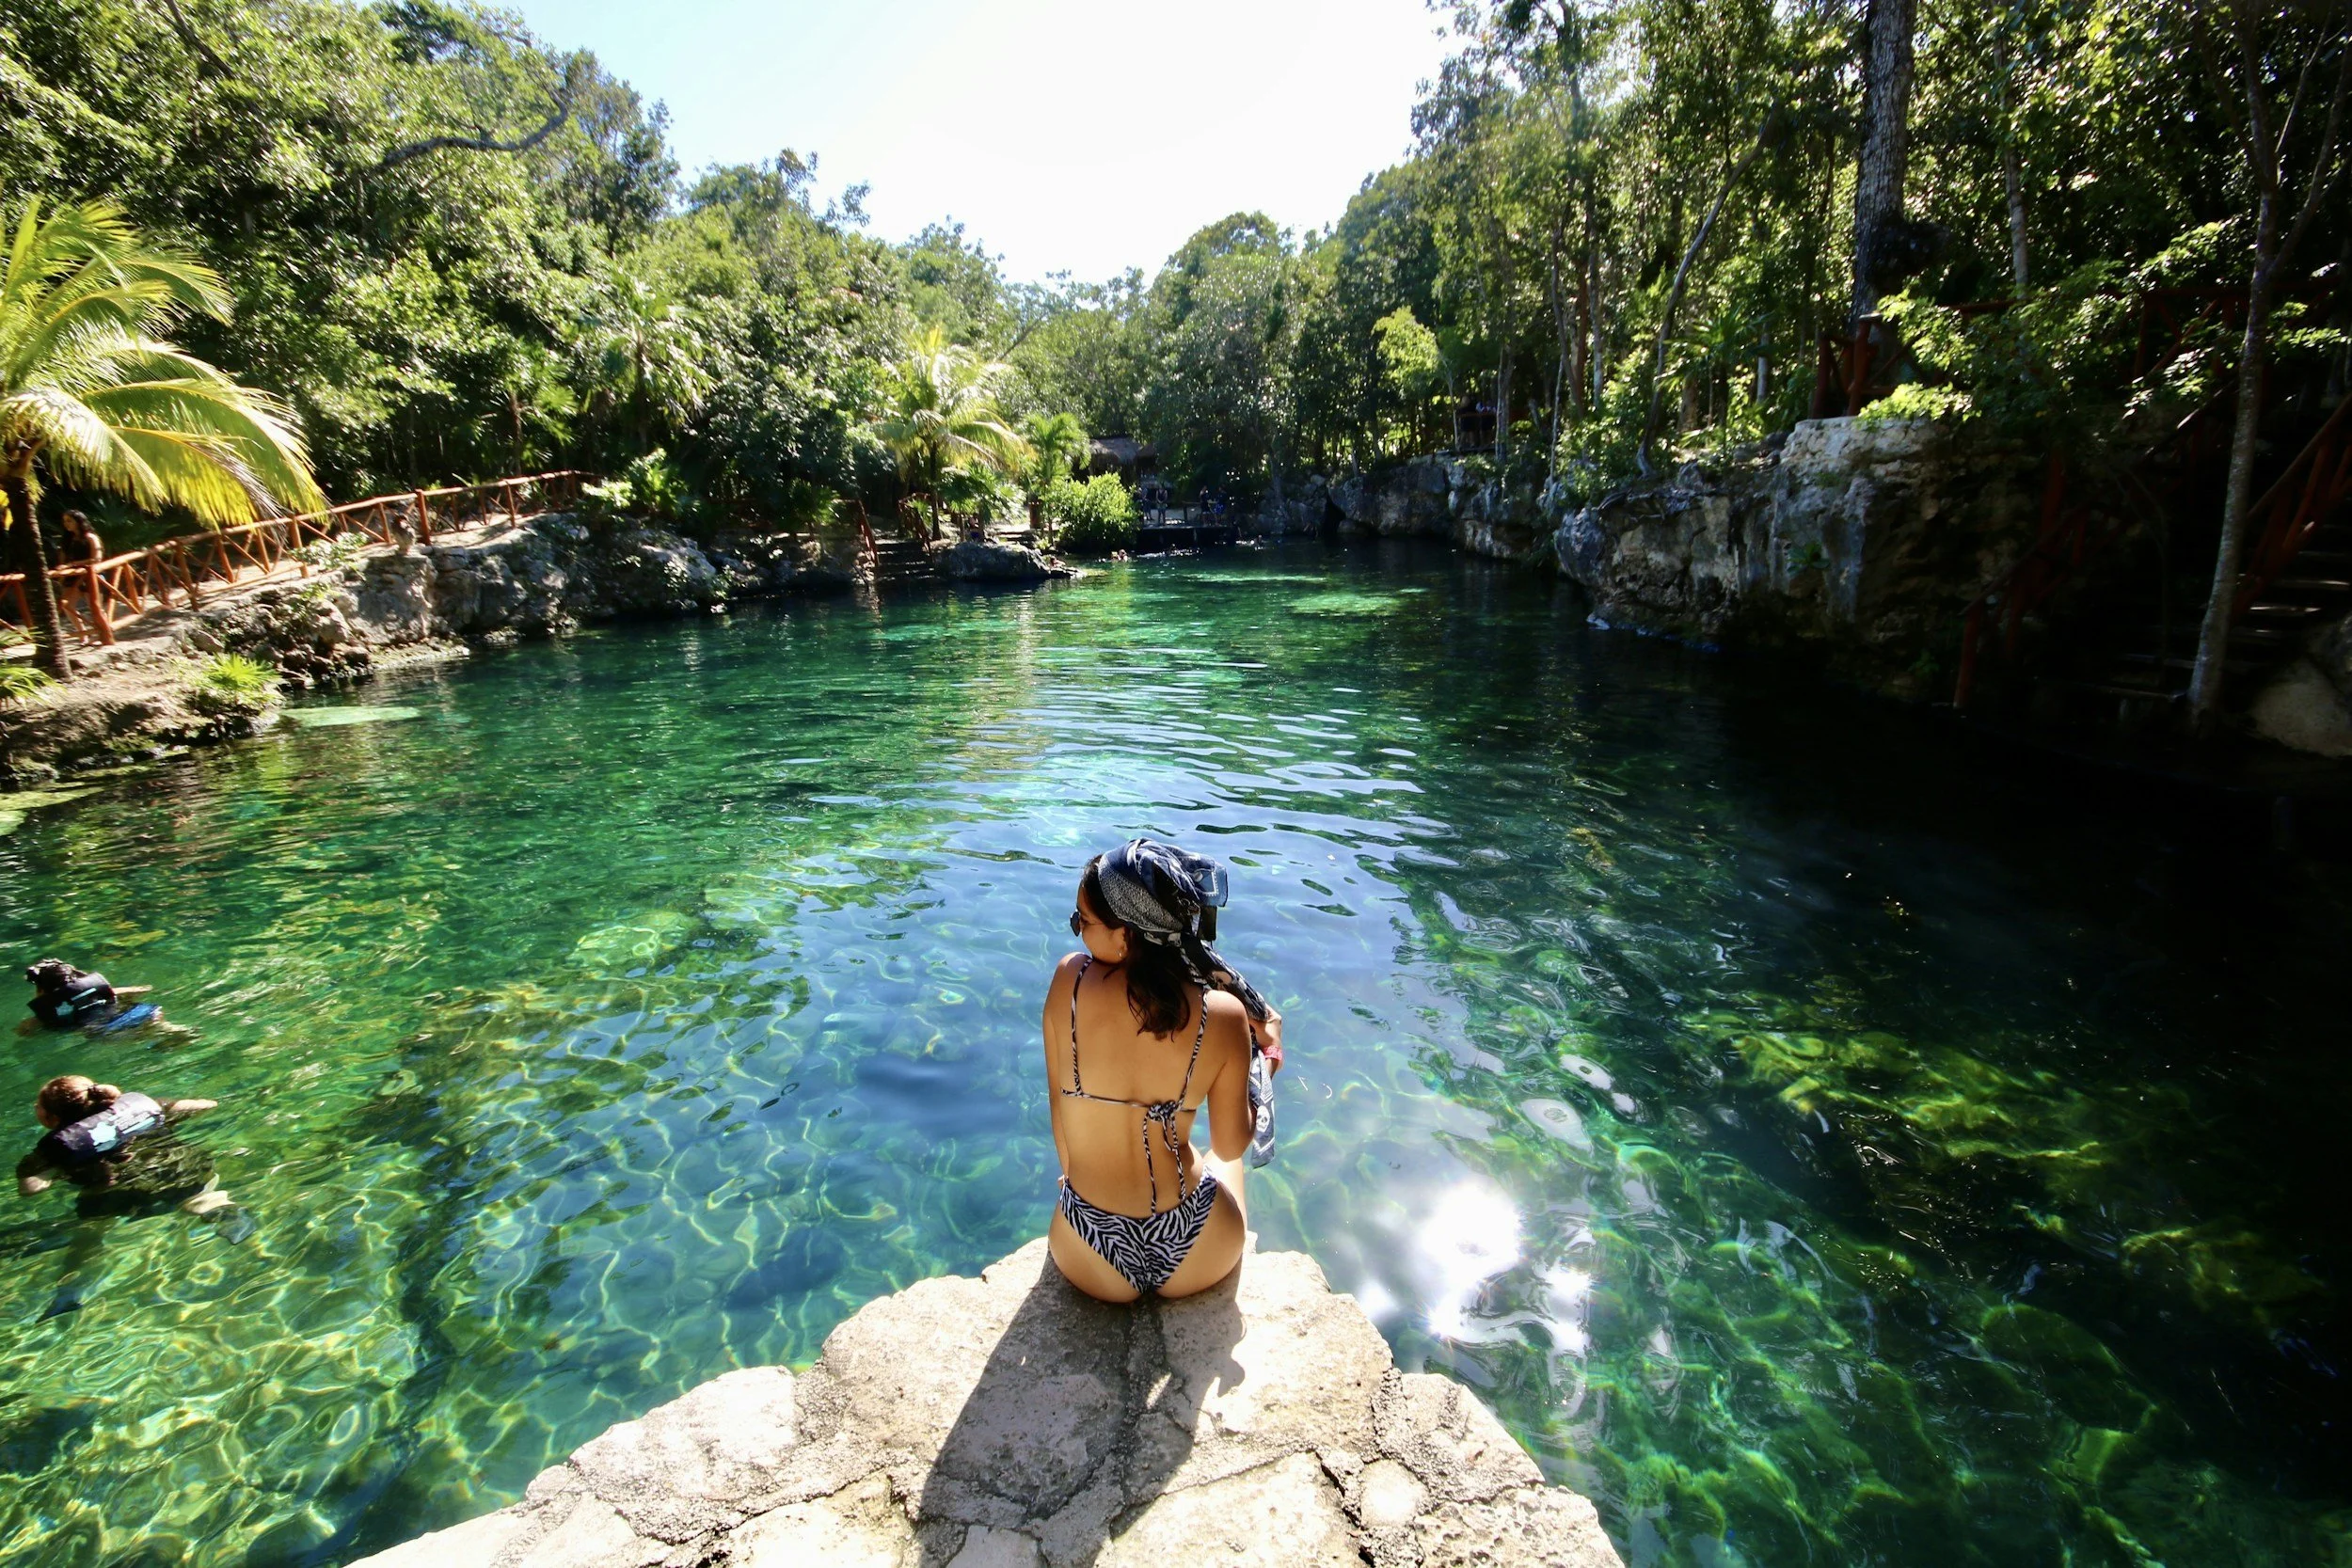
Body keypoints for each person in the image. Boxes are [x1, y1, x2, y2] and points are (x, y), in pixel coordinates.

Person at [1043, 839, 1283, 1302]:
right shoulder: (1224, 1013)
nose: (1077, 933)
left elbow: (1059, 1107)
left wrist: (1074, 1177)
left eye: (1083, 922)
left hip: (1087, 1250)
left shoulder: (1068, 981)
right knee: (1214, 1162)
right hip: (1197, 1249)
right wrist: (1267, 1057)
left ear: (1125, 936)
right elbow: (1232, 1144)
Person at [16, 1074, 227, 1212]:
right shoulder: (149, 1107)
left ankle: (82, 1260)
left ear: (51, 1119)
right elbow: (206, 1106)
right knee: (203, 1198)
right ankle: (218, 1205)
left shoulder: (57, 1148)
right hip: (187, 1169)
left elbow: (32, 1189)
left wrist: (37, 1170)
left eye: (39, 1105)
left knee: (91, 1217)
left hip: (123, 1195)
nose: (36, 1106)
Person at [22, 958, 163, 1036]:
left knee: (143, 1037)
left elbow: (24, 1032)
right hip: (142, 1013)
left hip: (107, 1033)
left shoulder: (43, 1018)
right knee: (161, 1030)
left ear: (41, 991)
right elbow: (144, 989)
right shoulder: (108, 992)